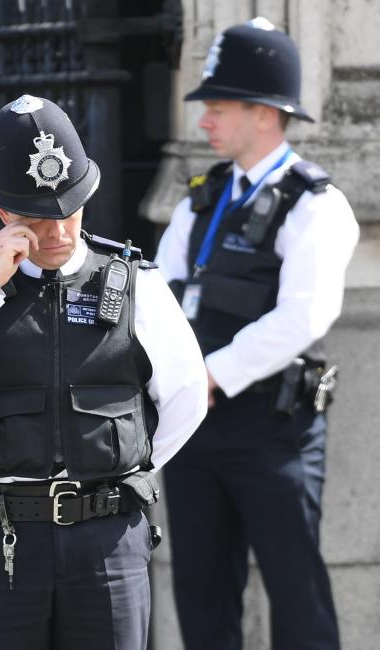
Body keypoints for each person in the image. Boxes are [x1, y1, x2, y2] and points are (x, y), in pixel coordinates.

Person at [0, 94, 208, 650]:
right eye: (37, 216)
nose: (58, 230)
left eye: (70, 210)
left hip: (109, 540)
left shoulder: (137, 283)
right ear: (3, 212)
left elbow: (186, 399)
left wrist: (118, 473)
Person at [154, 18, 360, 650]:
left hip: (274, 431)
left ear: (265, 113)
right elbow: (159, 294)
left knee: (295, 591)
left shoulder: (315, 204)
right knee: (200, 589)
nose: (204, 122)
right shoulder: (200, 197)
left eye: (217, 107)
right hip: (195, 424)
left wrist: (212, 374)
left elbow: (305, 316)